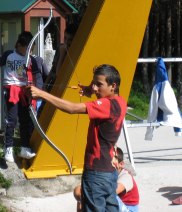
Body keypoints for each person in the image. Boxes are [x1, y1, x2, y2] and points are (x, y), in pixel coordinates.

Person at [25, 64, 127, 212]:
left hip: (96, 173)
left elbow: (72, 108)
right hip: (110, 172)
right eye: (94, 84)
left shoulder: (105, 105)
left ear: (113, 86)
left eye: (99, 85)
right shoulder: (121, 102)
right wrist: (90, 89)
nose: (95, 88)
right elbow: (101, 98)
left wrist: (42, 94)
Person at [0, 32, 38, 163]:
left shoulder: (31, 59)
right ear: (19, 45)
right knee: (11, 120)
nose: (30, 51)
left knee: (25, 120)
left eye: (32, 49)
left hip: (24, 92)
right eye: (28, 48)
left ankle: (25, 147)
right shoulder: (9, 54)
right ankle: (8, 148)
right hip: (11, 90)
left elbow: (36, 76)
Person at [74, 147, 140, 212]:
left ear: (121, 164)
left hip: (128, 209)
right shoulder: (107, 174)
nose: (108, 167)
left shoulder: (126, 177)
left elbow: (112, 192)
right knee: (84, 192)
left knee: (107, 194)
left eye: (112, 164)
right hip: (115, 205)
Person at [43, 23, 78, 92]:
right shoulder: (60, 47)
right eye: (65, 38)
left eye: (70, 39)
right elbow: (53, 68)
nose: (66, 42)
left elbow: (58, 74)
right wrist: (44, 85)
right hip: (53, 84)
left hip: (63, 86)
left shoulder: (75, 53)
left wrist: (62, 54)